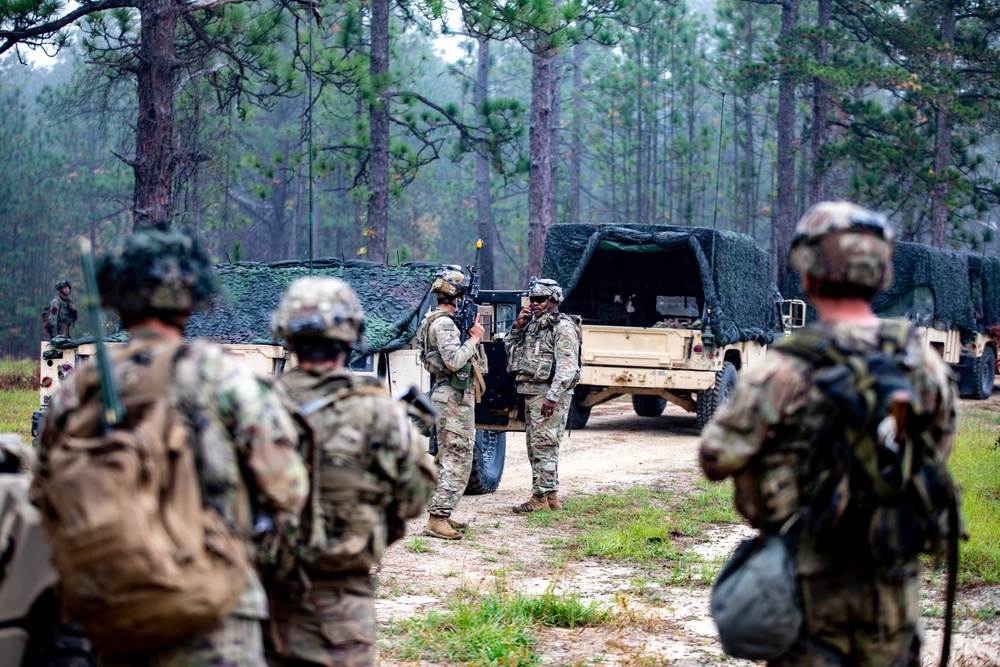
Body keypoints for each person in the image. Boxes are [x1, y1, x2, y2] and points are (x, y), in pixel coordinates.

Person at [34, 227, 309, 667]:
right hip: (214, 614)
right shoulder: (224, 378)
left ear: (117, 299)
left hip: (110, 617)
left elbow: (43, 494)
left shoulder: (75, 393)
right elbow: (288, 489)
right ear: (190, 298)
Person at [699, 201, 957, 667]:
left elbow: (716, 457)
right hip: (891, 600)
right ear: (880, 274)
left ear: (808, 274)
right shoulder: (922, 364)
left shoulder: (784, 367)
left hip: (806, 597)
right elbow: (936, 451)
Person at [265, 276, 437, 667]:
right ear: (351, 336)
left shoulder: (249, 402)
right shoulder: (378, 411)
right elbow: (414, 499)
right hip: (338, 606)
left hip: (253, 602)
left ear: (285, 335)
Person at [415, 268, 486, 540]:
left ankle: (442, 511)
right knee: (457, 457)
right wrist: (474, 339)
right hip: (452, 398)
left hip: (452, 396)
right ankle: (437, 518)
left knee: (448, 457)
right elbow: (454, 361)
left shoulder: (439, 319)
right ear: (454, 293)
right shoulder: (443, 323)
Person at [504, 278, 581, 514]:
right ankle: (551, 496)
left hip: (547, 395)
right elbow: (509, 347)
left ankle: (539, 497)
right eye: (533, 299)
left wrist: (552, 396)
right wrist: (518, 326)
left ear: (553, 300)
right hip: (531, 392)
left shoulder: (563, 328)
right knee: (537, 446)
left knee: (544, 445)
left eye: (541, 299)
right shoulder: (533, 325)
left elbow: (568, 368)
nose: (535, 304)